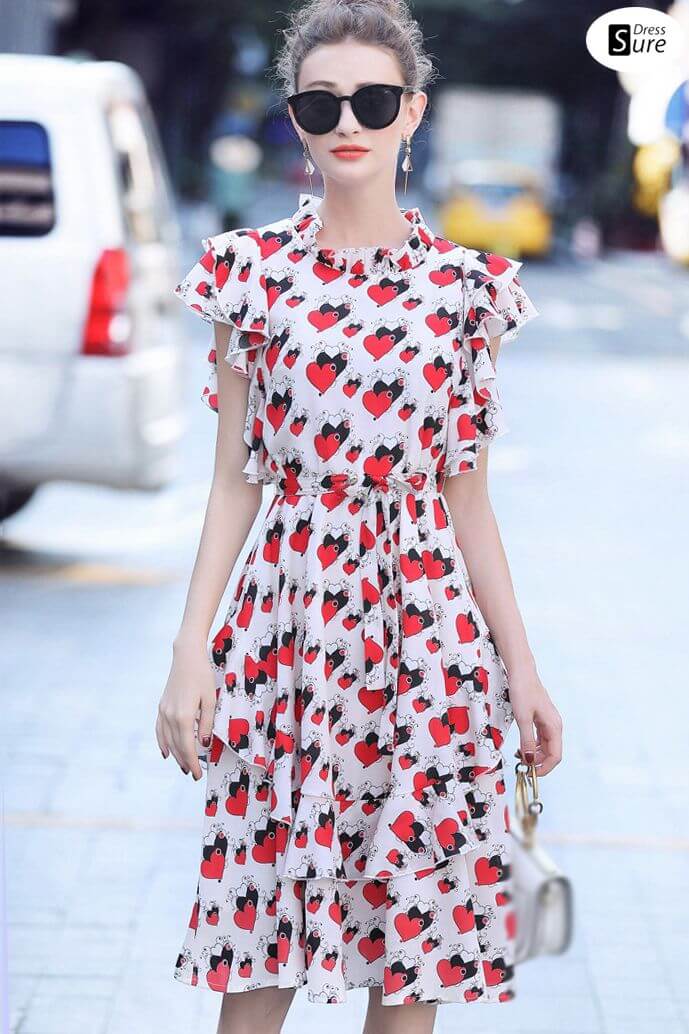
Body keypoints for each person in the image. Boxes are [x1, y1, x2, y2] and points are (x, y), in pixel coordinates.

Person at [156, 0, 563, 1030]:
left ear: (412, 113)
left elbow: (465, 494)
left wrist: (520, 669)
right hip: (283, 638)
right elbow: (231, 481)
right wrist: (189, 651)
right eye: (321, 100)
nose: (348, 121)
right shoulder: (250, 275)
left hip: (425, 645)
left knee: (410, 948)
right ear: (294, 115)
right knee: (260, 936)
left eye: (373, 100)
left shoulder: (467, 292)